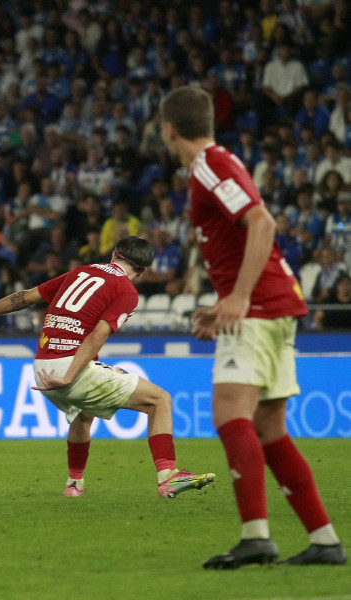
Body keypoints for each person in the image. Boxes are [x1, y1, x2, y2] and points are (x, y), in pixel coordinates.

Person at [160, 86, 346, 568]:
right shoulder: (217, 163)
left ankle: (256, 536)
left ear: (168, 130)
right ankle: (324, 540)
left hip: (261, 304)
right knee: (269, 430)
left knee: (229, 415)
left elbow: (261, 223)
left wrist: (240, 298)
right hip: (275, 303)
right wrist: (224, 303)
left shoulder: (208, 165)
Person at [0, 236, 214, 499]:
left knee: (84, 414)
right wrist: (70, 374)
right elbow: (98, 335)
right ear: (142, 271)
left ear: (114, 254)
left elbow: (26, 297)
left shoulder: (80, 272)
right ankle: (168, 477)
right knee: (160, 400)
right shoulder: (126, 290)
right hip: (67, 370)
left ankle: (74, 485)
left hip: (41, 365)